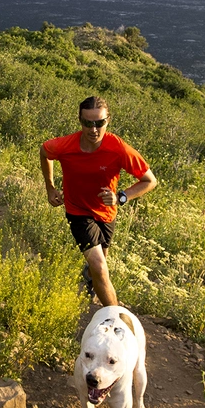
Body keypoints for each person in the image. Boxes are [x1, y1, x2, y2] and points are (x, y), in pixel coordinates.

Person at [40, 96, 157, 307]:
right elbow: (45, 151)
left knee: (100, 263)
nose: (93, 129)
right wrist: (50, 187)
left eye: (99, 123)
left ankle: (90, 279)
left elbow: (150, 181)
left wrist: (121, 197)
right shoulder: (66, 146)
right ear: (80, 121)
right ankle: (115, 319)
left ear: (108, 121)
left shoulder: (118, 148)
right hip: (77, 211)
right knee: (101, 267)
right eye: (88, 123)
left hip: (106, 213)